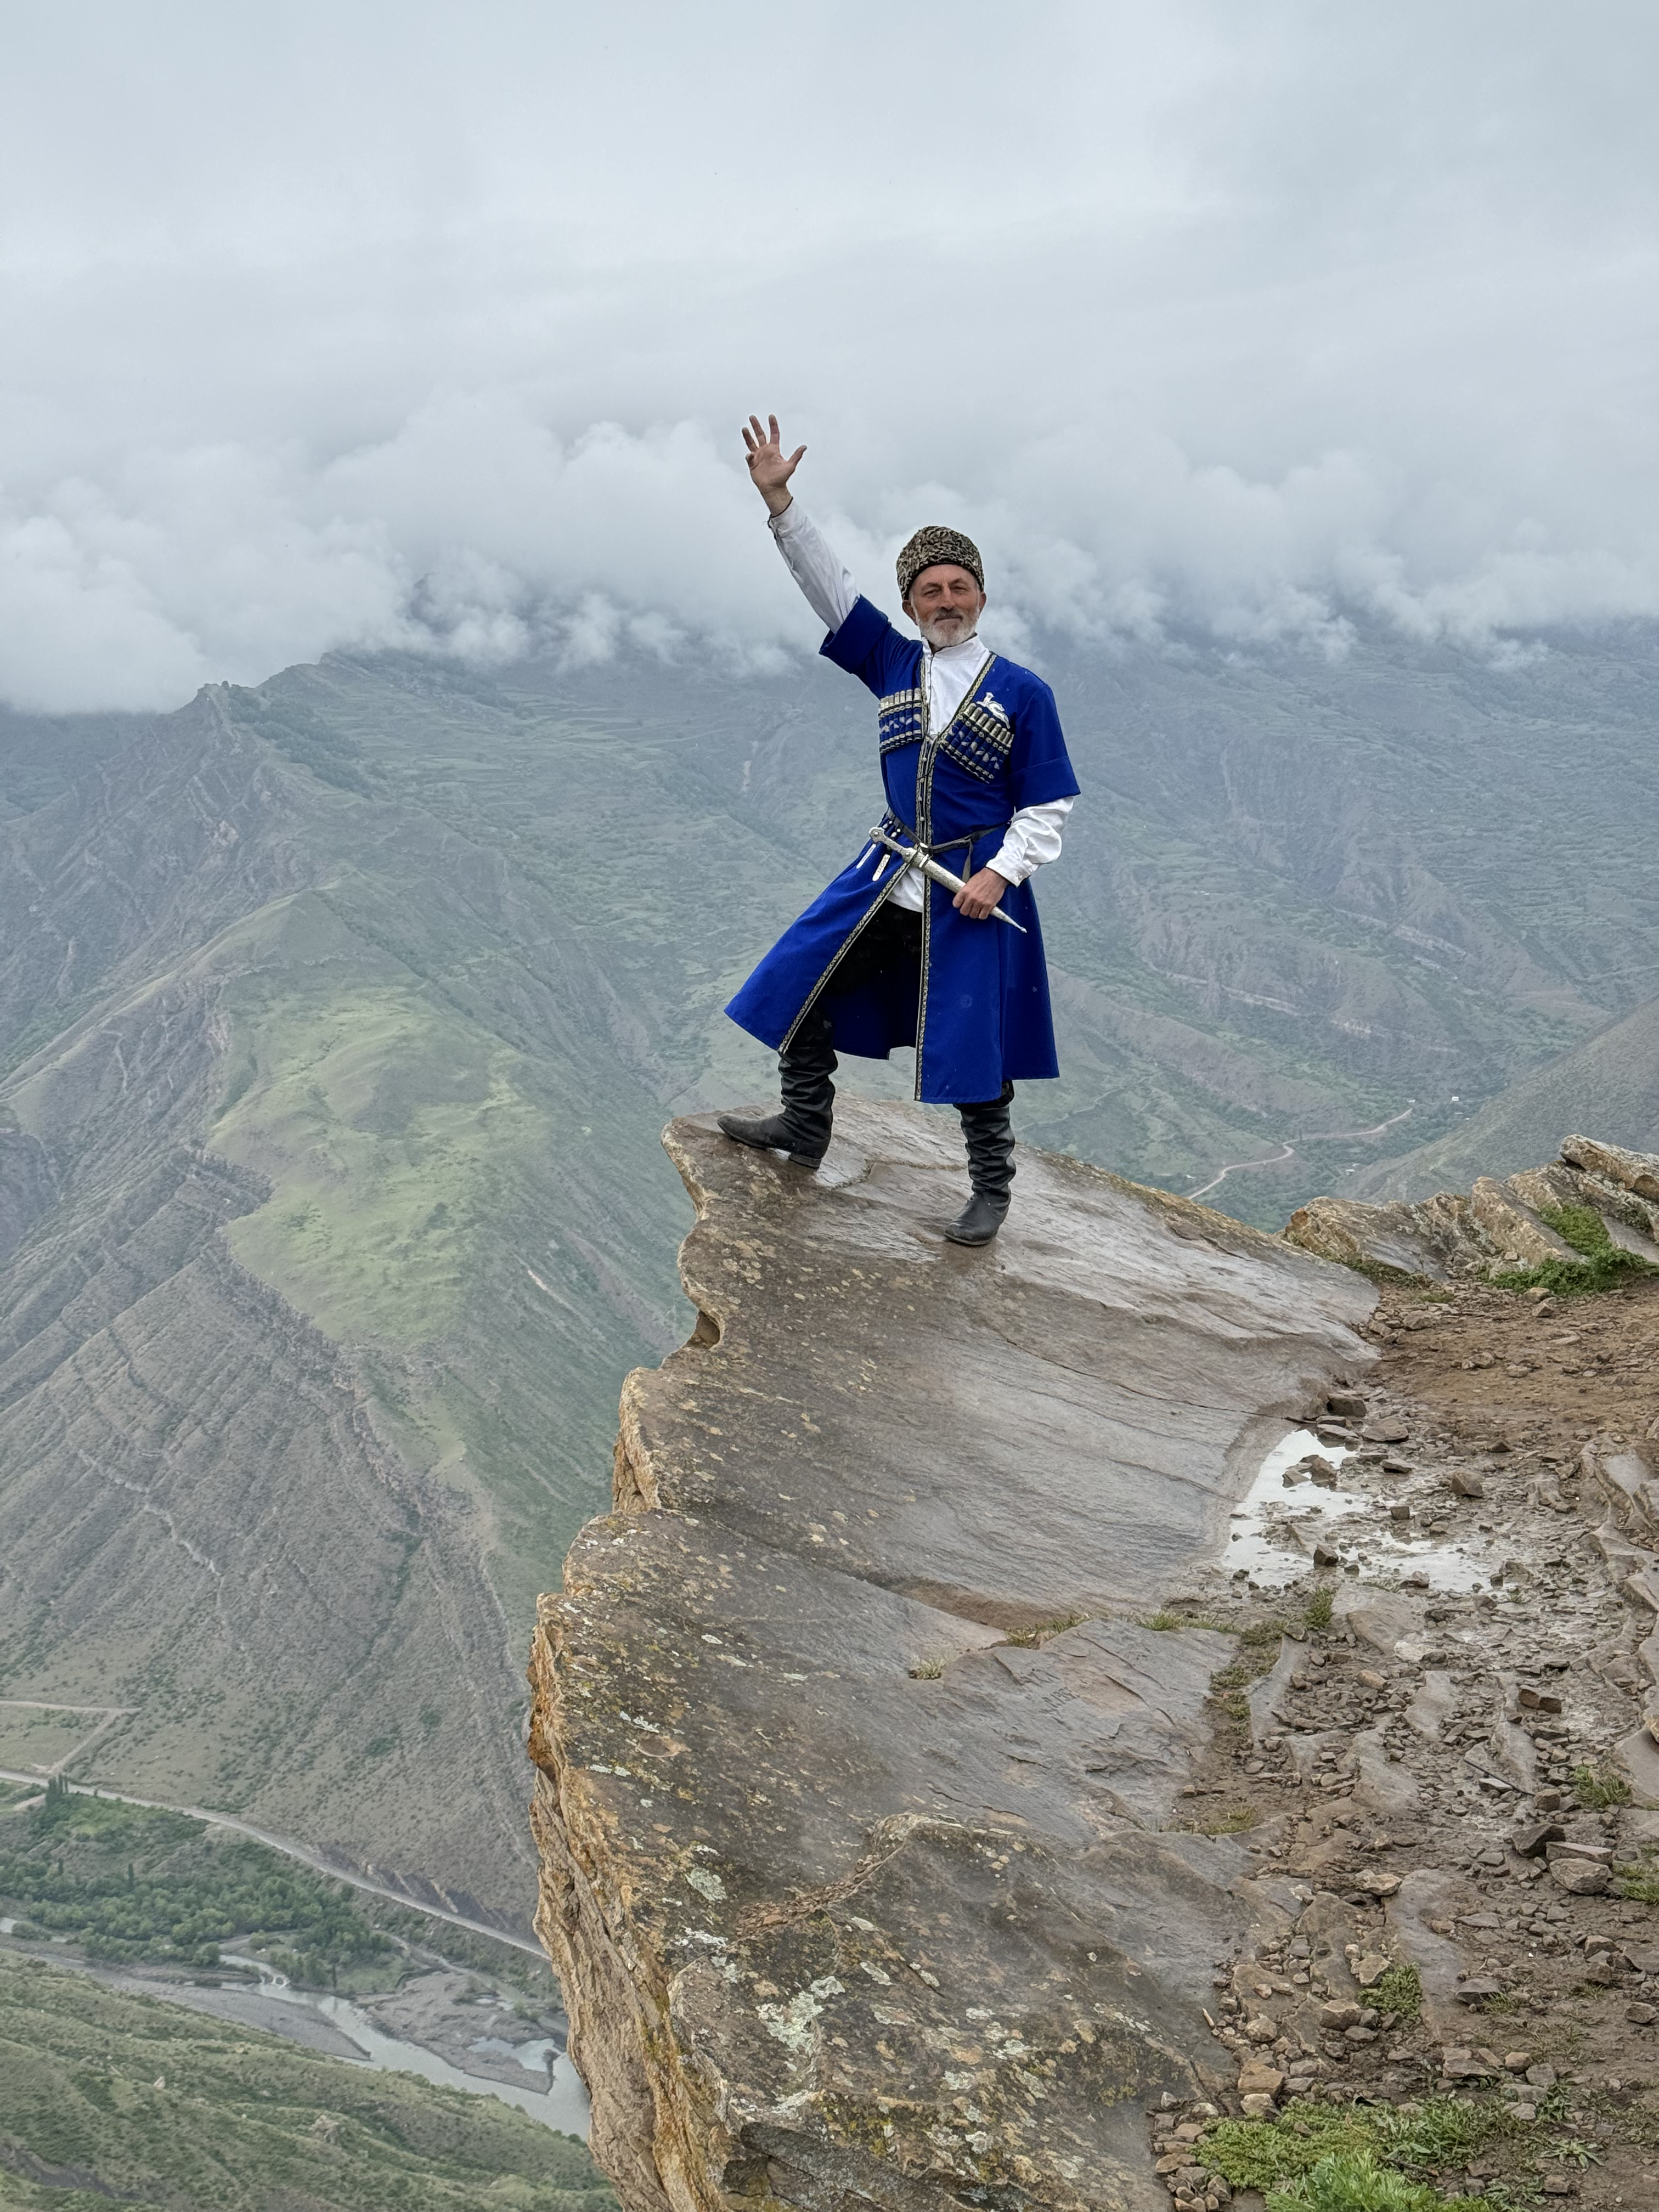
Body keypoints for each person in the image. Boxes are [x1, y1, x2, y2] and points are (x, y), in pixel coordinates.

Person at [720, 415, 1080, 1245]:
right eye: (930, 591)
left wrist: (1001, 873)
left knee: (970, 1042)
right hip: (887, 868)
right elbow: (830, 589)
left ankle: (992, 1189)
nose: (946, 601)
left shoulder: (1022, 692)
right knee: (803, 983)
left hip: (972, 888)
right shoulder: (891, 661)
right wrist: (781, 505)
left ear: (981, 596)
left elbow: (1048, 804)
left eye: (959, 587)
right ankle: (805, 1125)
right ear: (912, 603)